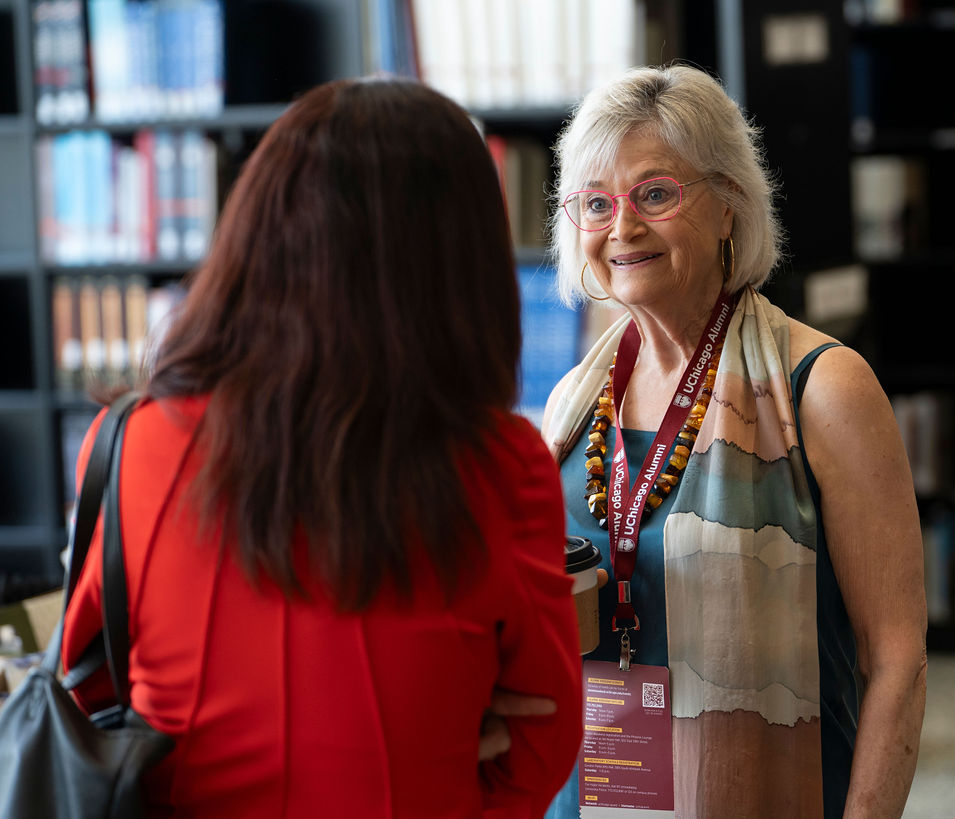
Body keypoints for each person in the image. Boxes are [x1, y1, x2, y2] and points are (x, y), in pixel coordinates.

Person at [60, 77, 583, 818]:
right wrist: (434, 748)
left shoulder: (127, 444)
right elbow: (541, 747)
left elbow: (87, 688)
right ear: (461, 266)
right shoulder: (503, 468)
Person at [541, 63, 927, 818]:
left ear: (729, 207)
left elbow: (898, 662)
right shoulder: (570, 403)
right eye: (596, 203)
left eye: (656, 193)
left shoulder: (823, 388)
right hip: (583, 793)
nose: (622, 228)